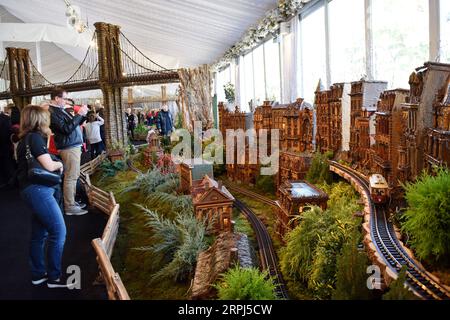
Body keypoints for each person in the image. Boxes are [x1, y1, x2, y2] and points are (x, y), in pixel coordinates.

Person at [16, 105, 74, 289]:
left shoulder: (25, 139)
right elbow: (48, 166)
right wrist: (59, 165)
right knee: (59, 232)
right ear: (39, 120)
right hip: (39, 190)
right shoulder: (34, 138)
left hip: (30, 190)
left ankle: (38, 274)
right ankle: (54, 277)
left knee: (39, 234)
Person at [49, 88, 88, 216]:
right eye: (64, 98)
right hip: (68, 147)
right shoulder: (52, 112)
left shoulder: (60, 110)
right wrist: (79, 115)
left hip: (72, 146)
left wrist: (82, 116)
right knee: (71, 177)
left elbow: (73, 125)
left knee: (73, 176)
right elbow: (66, 129)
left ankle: (72, 202)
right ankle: (70, 206)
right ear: (56, 98)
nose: (66, 101)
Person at [0, 104, 14, 187]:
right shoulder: (6, 118)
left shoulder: (6, 118)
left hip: (4, 145)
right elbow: (9, 132)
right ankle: (9, 181)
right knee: (7, 164)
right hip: (6, 145)